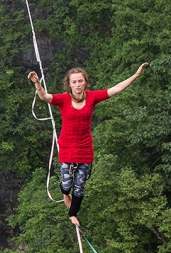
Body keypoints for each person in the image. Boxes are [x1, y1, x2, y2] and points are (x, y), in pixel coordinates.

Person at [27, 62, 148, 225]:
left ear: (85, 82)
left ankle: (73, 214)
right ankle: (64, 194)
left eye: (80, 81)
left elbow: (117, 88)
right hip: (67, 148)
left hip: (85, 149)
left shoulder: (92, 97)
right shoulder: (64, 99)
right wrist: (37, 83)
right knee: (66, 183)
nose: (77, 85)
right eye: (74, 82)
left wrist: (135, 75)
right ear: (69, 84)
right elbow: (44, 97)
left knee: (79, 186)